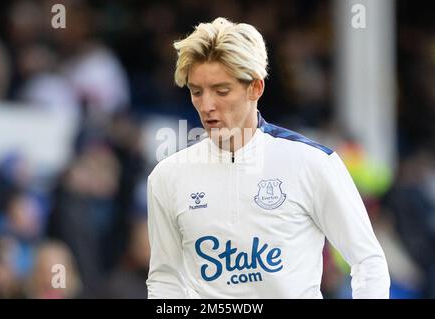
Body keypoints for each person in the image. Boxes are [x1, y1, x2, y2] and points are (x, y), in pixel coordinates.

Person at [146, 17, 390, 299]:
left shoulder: (312, 163)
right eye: (196, 92)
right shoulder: (167, 176)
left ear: (255, 88)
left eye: (221, 90)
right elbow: (165, 281)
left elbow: (367, 260)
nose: (207, 105)